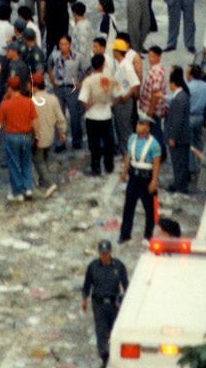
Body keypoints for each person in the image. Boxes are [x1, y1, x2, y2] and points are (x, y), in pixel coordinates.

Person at [82, 239, 129, 368]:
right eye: (102, 253)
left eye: (106, 253)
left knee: (114, 331)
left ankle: (115, 356)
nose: (104, 255)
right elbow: (87, 285)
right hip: (99, 303)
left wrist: (126, 301)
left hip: (114, 303)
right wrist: (84, 299)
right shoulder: (93, 267)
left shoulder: (118, 266)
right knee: (101, 331)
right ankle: (105, 358)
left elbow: (126, 285)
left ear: (110, 252)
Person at [118, 113, 161, 243]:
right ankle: (125, 235)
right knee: (128, 207)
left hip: (146, 178)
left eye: (141, 124)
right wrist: (124, 172)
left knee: (150, 210)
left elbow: (156, 163)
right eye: (138, 123)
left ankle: (149, 236)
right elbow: (128, 156)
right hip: (134, 177)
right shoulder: (132, 138)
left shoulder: (154, 144)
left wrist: (154, 180)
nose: (138, 126)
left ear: (148, 127)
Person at [0, 76, 37, 202]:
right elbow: (35, 122)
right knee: (26, 162)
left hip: (12, 137)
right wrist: (36, 136)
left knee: (14, 164)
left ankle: (17, 192)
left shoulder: (5, 104)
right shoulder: (29, 102)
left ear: (10, 88)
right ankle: (28, 188)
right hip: (26, 135)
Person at [79, 52, 117, 176]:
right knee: (108, 143)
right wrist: (110, 104)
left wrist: (88, 107)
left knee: (94, 144)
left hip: (92, 116)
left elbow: (83, 99)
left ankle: (96, 168)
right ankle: (109, 166)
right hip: (106, 114)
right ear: (103, 64)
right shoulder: (110, 78)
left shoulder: (88, 80)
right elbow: (117, 95)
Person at [30, 70, 66, 195]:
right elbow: (60, 117)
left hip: (37, 137)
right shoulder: (53, 99)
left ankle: (49, 183)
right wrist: (62, 132)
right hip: (50, 136)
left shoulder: (32, 101)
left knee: (37, 160)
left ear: (33, 86)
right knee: (44, 158)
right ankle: (42, 181)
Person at [48, 34, 85, 150]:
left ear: (70, 45)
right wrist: (52, 80)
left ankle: (77, 141)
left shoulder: (77, 57)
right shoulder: (54, 56)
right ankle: (60, 142)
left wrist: (81, 83)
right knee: (59, 116)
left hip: (72, 89)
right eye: (61, 44)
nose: (63, 46)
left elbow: (86, 70)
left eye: (65, 44)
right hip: (59, 88)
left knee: (75, 116)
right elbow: (49, 67)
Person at [164, 66, 192, 193]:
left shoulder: (179, 98)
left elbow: (177, 121)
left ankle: (180, 185)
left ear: (173, 83)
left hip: (178, 137)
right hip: (182, 136)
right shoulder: (182, 96)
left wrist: (172, 138)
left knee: (178, 162)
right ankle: (181, 183)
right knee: (181, 161)